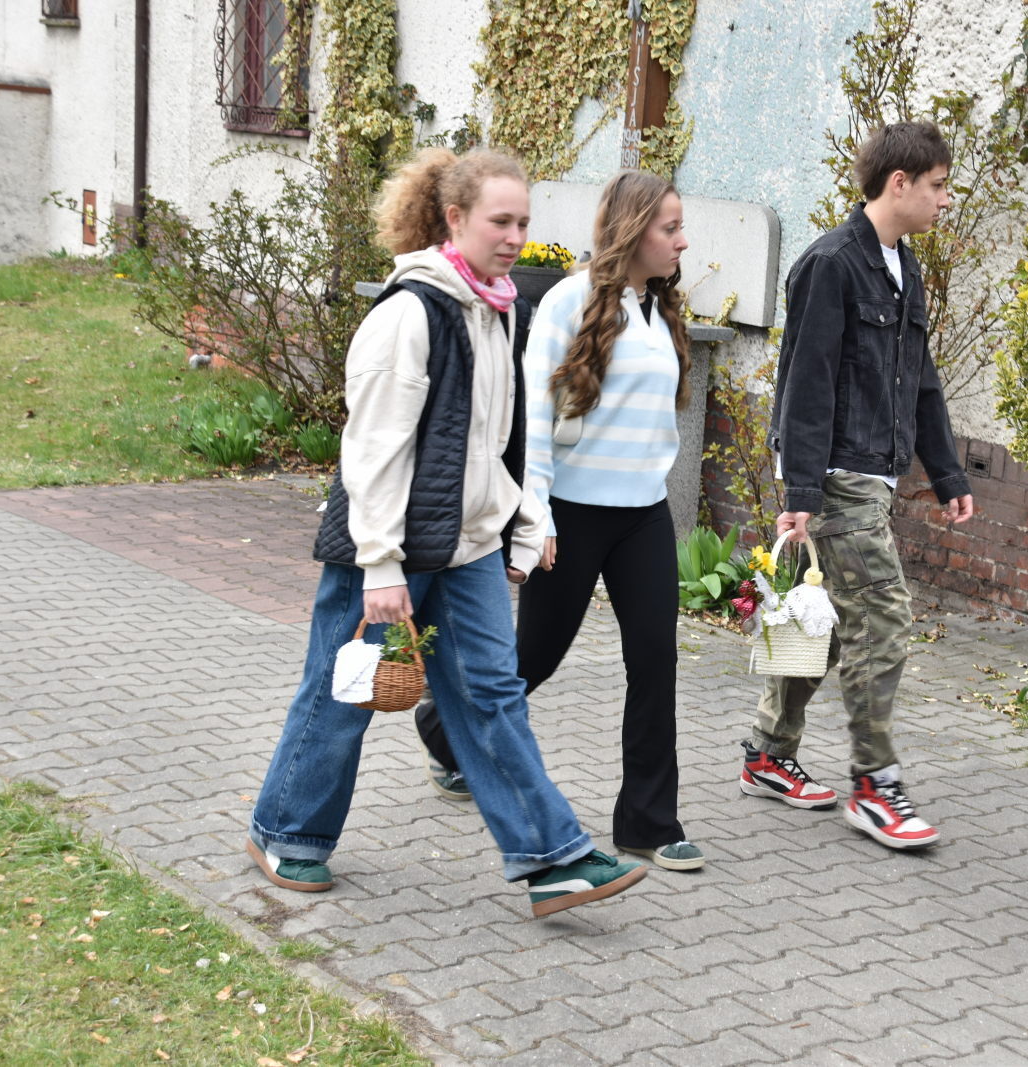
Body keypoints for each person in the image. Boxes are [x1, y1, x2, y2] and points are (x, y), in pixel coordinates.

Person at [245, 146, 646, 919]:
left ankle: (551, 857)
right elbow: (371, 452)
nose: (516, 237)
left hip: (468, 547)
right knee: (343, 691)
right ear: (454, 218)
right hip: (391, 549)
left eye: (524, 222)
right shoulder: (409, 313)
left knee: (493, 694)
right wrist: (380, 565)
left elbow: (494, 442)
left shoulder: (497, 308)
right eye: (501, 221)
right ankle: (284, 830)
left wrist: (520, 523)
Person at [415, 169, 704, 871]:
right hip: (571, 514)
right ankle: (444, 729)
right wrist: (535, 514)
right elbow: (535, 420)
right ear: (634, 230)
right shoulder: (568, 302)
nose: (682, 242)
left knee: (655, 659)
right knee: (533, 658)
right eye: (670, 229)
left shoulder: (662, 309)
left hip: (643, 513)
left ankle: (647, 821)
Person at [740, 120, 974, 851]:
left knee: (835, 625)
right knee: (883, 616)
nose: (945, 200)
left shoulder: (905, 268)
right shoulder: (831, 264)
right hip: (838, 477)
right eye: (938, 185)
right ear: (898, 183)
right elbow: (804, 384)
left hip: (875, 473)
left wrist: (947, 471)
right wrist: (801, 496)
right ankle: (875, 784)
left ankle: (768, 753)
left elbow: (921, 381)